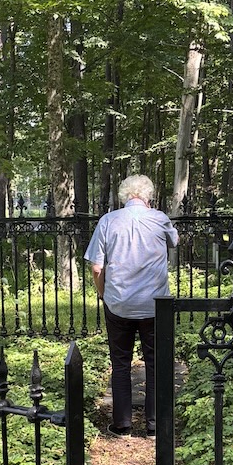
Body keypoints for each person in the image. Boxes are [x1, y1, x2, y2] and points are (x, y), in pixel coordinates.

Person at [84, 174, 179, 437]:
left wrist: (104, 294)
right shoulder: (160, 219)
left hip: (119, 303)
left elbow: (96, 266)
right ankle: (154, 425)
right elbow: (175, 241)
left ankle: (122, 424)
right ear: (148, 196)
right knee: (155, 362)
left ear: (124, 195)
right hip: (154, 304)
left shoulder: (108, 221)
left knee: (121, 362)